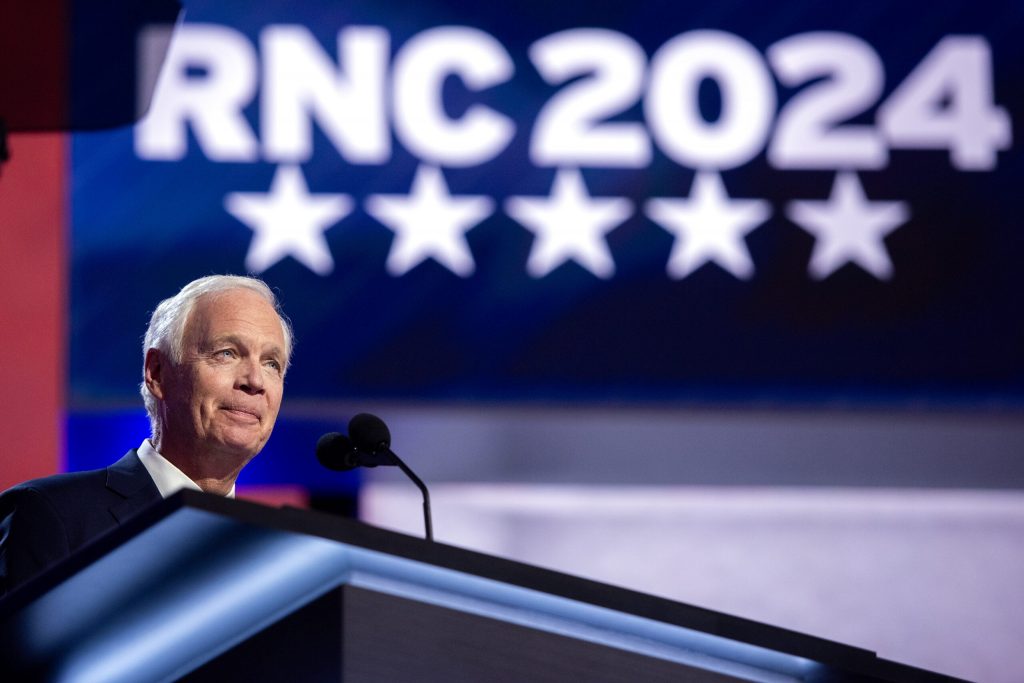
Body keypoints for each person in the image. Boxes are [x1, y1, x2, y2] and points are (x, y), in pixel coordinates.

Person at [0, 275, 293, 597]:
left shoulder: (277, 558)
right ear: (157, 372)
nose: (255, 381)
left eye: (271, 363)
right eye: (226, 353)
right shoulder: (52, 516)